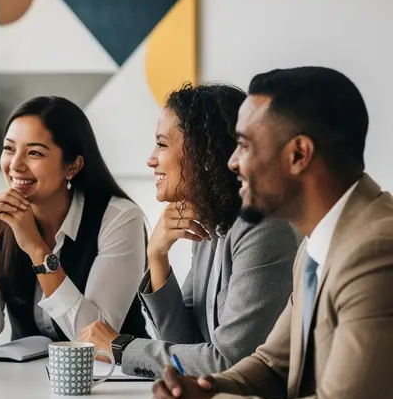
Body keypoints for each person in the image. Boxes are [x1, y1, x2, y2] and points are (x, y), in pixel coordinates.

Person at [152, 67, 393, 399]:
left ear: (298, 154)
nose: (230, 161)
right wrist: (208, 388)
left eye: (243, 145)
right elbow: (272, 362)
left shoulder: (375, 250)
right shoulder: (319, 242)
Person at [79, 84, 299, 377]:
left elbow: (228, 363)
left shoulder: (264, 230)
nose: (151, 158)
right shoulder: (212, 224)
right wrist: (157, 257)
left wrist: (121, 348)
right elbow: (186, 345)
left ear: (206, 155)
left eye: (162, 144)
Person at [0, 95, 148, 349]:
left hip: (113, 380)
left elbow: (98, 341)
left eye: (34, 153)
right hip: (27, 382)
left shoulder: (119, 219)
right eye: (9, 148)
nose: (15, 165)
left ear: (72, 166)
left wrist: (37, 250)